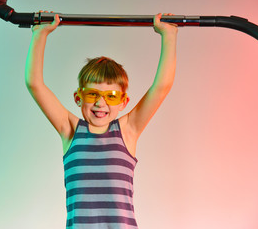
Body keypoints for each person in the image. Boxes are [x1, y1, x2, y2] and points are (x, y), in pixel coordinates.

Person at [25, 12, 178, 229]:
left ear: (123, 101)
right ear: (78, 98)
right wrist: (39, 35)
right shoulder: (70, 129)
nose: (100, 103)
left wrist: (169, 36)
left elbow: (161, 87)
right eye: (92, 94)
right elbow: (34, 84)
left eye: (111, 96)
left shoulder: (128, 130)